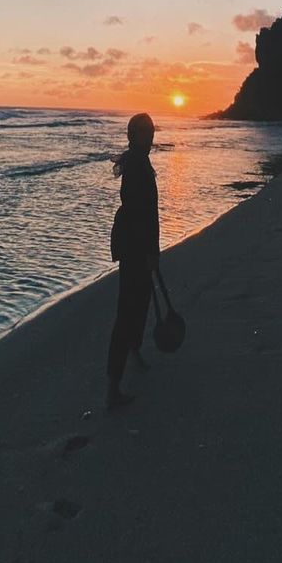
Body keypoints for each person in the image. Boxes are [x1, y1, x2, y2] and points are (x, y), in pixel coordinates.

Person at [106, 112, 160, 409]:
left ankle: (134, 349)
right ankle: (113, 388)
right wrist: (150, 251)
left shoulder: (139, 159)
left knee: (140, 302)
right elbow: (140, 215)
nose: (150, 136)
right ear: (133, 135)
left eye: (151, 131)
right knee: (127, 311)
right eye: (144, 132)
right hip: (134, 247)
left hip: (137, 244)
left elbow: (147, 214)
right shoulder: (136, 164)